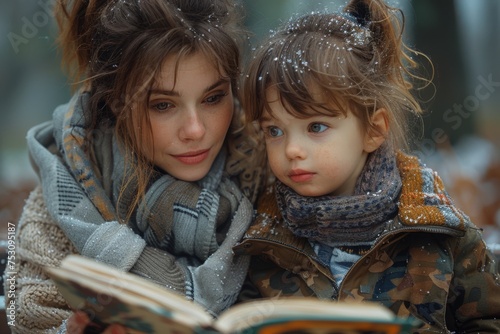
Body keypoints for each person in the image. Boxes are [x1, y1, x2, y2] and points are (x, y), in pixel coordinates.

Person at [234, 0, 500, 332]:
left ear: (373, 130)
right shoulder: (261, 239)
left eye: (316, 127)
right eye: (274, 131)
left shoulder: (437, 232)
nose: (292, 149)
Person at [5, 0, 266, 333]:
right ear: (116, 101)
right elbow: (27, 321)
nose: (196, 130)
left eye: (213, 98)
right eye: (162, 105)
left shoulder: (273, 174)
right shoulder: (64, 200)